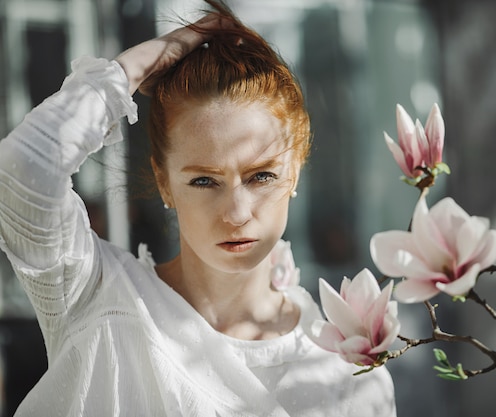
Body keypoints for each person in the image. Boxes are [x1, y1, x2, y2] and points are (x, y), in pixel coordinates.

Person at [0, 1, 396, 416]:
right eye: (204, 181)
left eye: (261, 176)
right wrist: (132, 67)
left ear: (295, 170)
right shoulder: (101, 303)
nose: (237, 213)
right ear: (163, 182)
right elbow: (22, 170)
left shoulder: (345, 367)